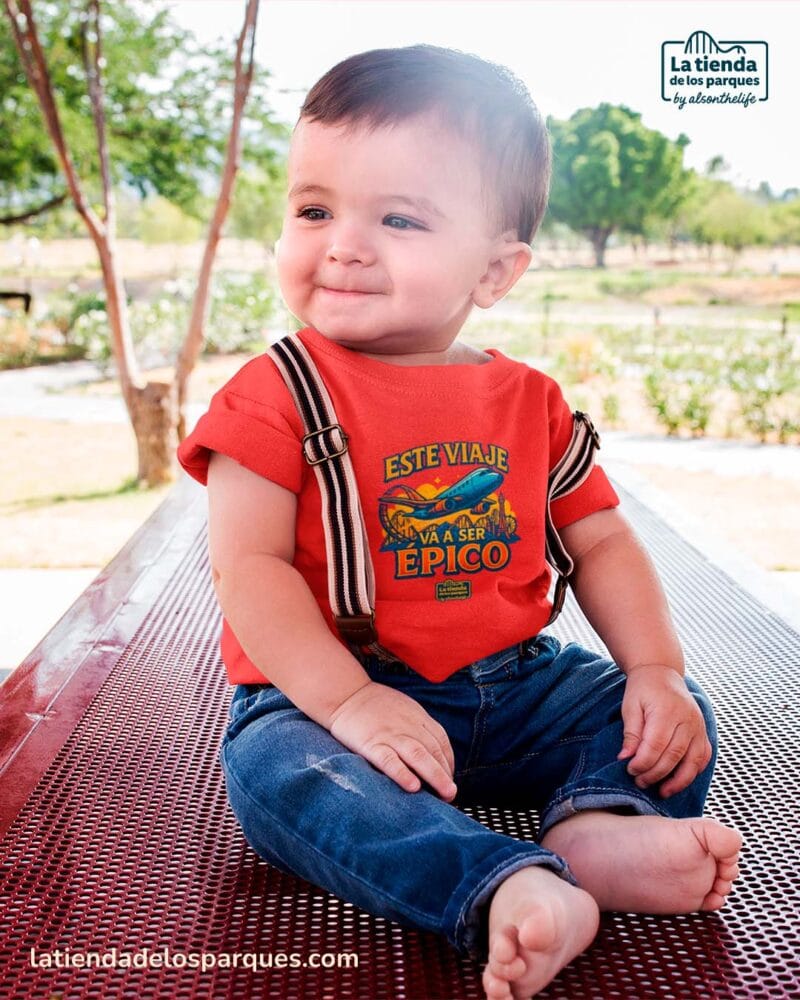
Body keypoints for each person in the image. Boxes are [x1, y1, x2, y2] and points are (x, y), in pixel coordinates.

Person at [177, 44, 742, 1000]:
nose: (343, 245)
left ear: (496, 269)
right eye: (314, 211)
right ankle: (500, 883)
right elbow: (250, 571)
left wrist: (655, 669)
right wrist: (349, 704)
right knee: (277, 771)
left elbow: (603, 539)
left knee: (663, 717)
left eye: (398, 218)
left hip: (515, 691)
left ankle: (596, 829)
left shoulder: (530, 402)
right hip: (334, 698)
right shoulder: (273, 395)